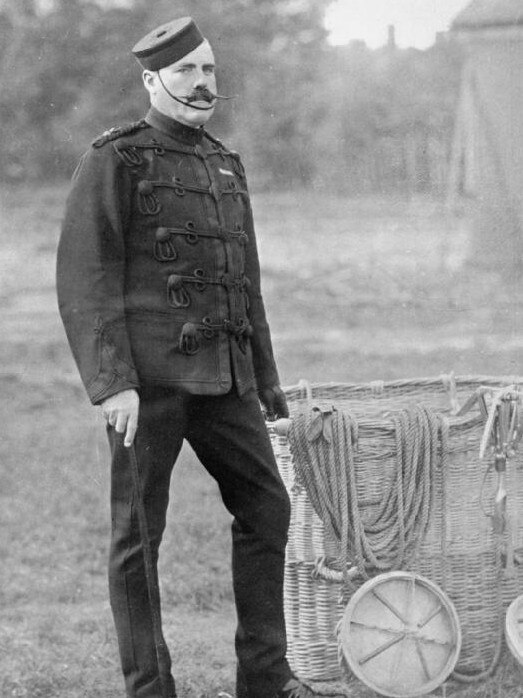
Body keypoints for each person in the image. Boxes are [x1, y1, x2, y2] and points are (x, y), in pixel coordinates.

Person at [57, 16, 329, 698]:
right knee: (139, 538)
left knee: (268, 511)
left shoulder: (223, 165)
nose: (202, 83)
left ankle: (264, 679)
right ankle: (150, 687)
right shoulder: (115, 160)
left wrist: (264, 381)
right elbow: (86, 279)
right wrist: (111, 383)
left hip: (225, 383)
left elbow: (245, 283)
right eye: (186, 72)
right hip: (147, 389)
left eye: (209, 70)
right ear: (153, 80)